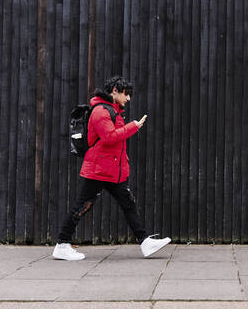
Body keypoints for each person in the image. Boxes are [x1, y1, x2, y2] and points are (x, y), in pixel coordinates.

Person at [52, 76, 170, 261]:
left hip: (111, 169)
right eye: (126, 94)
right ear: (115, 90)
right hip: (99, 169)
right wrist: (134, 126)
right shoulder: (100, 111)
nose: (128, 99)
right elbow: (109, 138)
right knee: (83, 205)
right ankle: (62, 245)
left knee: (128, 203)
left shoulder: (112, 110)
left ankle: (145, 242)